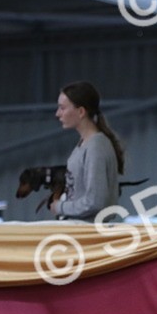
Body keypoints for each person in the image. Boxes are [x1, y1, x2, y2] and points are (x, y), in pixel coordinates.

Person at [49, 81, 125, 220]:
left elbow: (94, 201)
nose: (58, 114)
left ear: (81, 111)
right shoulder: (85, 144)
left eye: (62, 108)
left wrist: (60, 206)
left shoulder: (96, 147)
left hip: (88, 233)